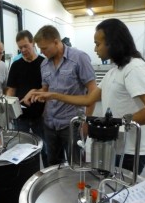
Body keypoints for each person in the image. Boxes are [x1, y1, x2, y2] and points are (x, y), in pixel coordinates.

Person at [31, 18, 145, 174]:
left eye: (98, 44)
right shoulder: (114, 71)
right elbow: (88, 99)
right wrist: (53, 95)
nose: (95, 49)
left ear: (112, 43)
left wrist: (113, 124)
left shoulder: (134, 67)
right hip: (116, 145)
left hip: (130, 150)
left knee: (117, 192)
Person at [23, 25, 97, 166]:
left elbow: (93, 91)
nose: (42, 52)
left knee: (76, 165)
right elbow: (46, 90)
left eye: (44, 48)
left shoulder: (79, 58)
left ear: (56, 42)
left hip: (72, 124)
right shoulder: (44, 64)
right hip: (50, 123)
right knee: (53, 164)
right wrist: (34, 92)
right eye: (40, 49)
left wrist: (86, 121)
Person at [6, 30, 47, 167]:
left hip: (40, 115)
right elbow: (11, 90)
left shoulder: (44, 63)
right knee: (21, 150)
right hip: (20, 116)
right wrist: (8, 109)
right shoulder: (16, 65)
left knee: (45, 148)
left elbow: (48, 89)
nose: (23, 50)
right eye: (20, 47)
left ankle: (47, 172)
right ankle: (25, 175)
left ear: (33, 43)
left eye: (25, 46)